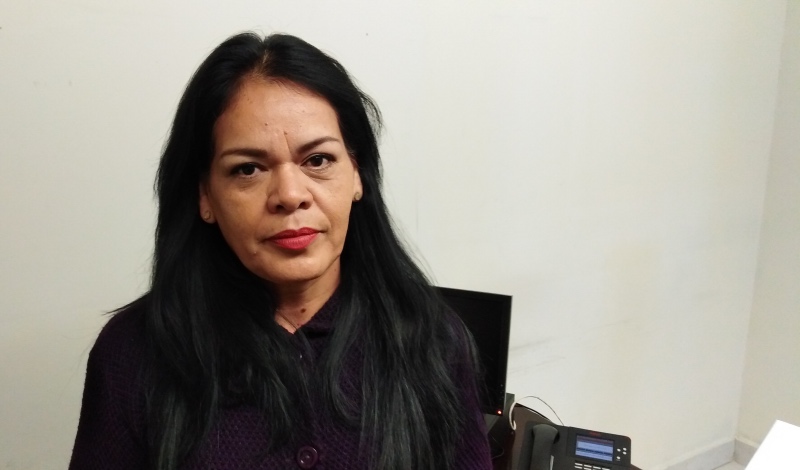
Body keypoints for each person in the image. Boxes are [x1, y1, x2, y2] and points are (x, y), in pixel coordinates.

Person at [69, 32, 492, 470]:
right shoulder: (133, 352)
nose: (290, 195)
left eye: (318, 160)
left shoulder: (434, 340)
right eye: (248, 169)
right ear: (205, 196)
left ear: (358, 174)